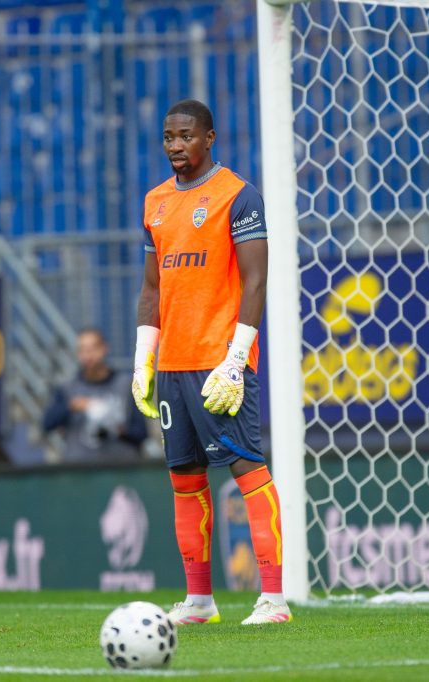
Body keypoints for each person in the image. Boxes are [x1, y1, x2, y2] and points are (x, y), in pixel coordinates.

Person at [131, 99, 291, 626]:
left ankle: (274, 599)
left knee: (246, 467)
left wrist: (236, 358)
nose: (176, 145)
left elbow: (256, 280)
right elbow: (152, 287)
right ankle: (200, 601)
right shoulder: (155, 202)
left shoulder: (238, 196)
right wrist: (143, 360)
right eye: (168, 137)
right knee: (184, 478)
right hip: (173, 365)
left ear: (209, 138)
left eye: (186, 136)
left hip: (221, 362)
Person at [42, 328, 146, 463]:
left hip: (120, 468)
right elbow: (46, 424)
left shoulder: (126, 385)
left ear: (104, 348)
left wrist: (116, 428)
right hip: (80, 469)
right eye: (82, 350)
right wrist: (72, 406)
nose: (88, 355)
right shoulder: (67, 388)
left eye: (93, 349)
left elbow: (142, 432)